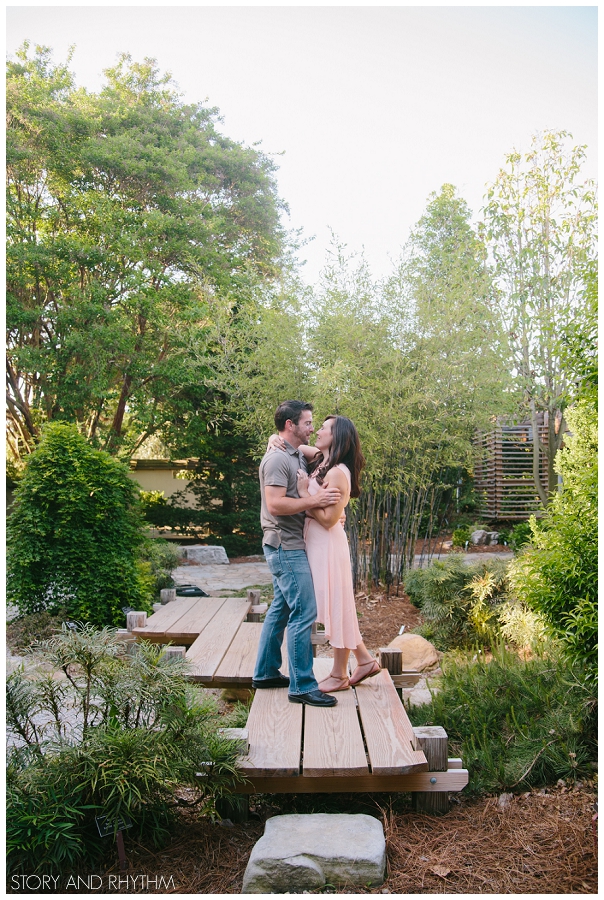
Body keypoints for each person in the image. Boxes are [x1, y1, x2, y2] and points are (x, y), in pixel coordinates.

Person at [269, 415, 380, 693]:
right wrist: (274, 439)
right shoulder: (321, 459)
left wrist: (306, 496)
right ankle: (364, 660)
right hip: (317, 544)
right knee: (335, 604)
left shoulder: (337, 472)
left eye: (323, 428)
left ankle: (339, 674)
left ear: (337, 436)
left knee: (337, 604)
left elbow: (330, 519)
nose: (317, 430)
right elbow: (290, 444)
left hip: (328, 545)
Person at [252, 400, 343, 707]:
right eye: (307, 423)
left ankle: (265, 672)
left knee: (282, 608)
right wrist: (314, 502)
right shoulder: (278, 460)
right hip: (285, 545)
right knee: (305, 611)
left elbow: (315, 454)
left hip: (288, 543)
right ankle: (302, 685)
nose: (311, 428)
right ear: (290, 425)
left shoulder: (291, 454)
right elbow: (276, 504)